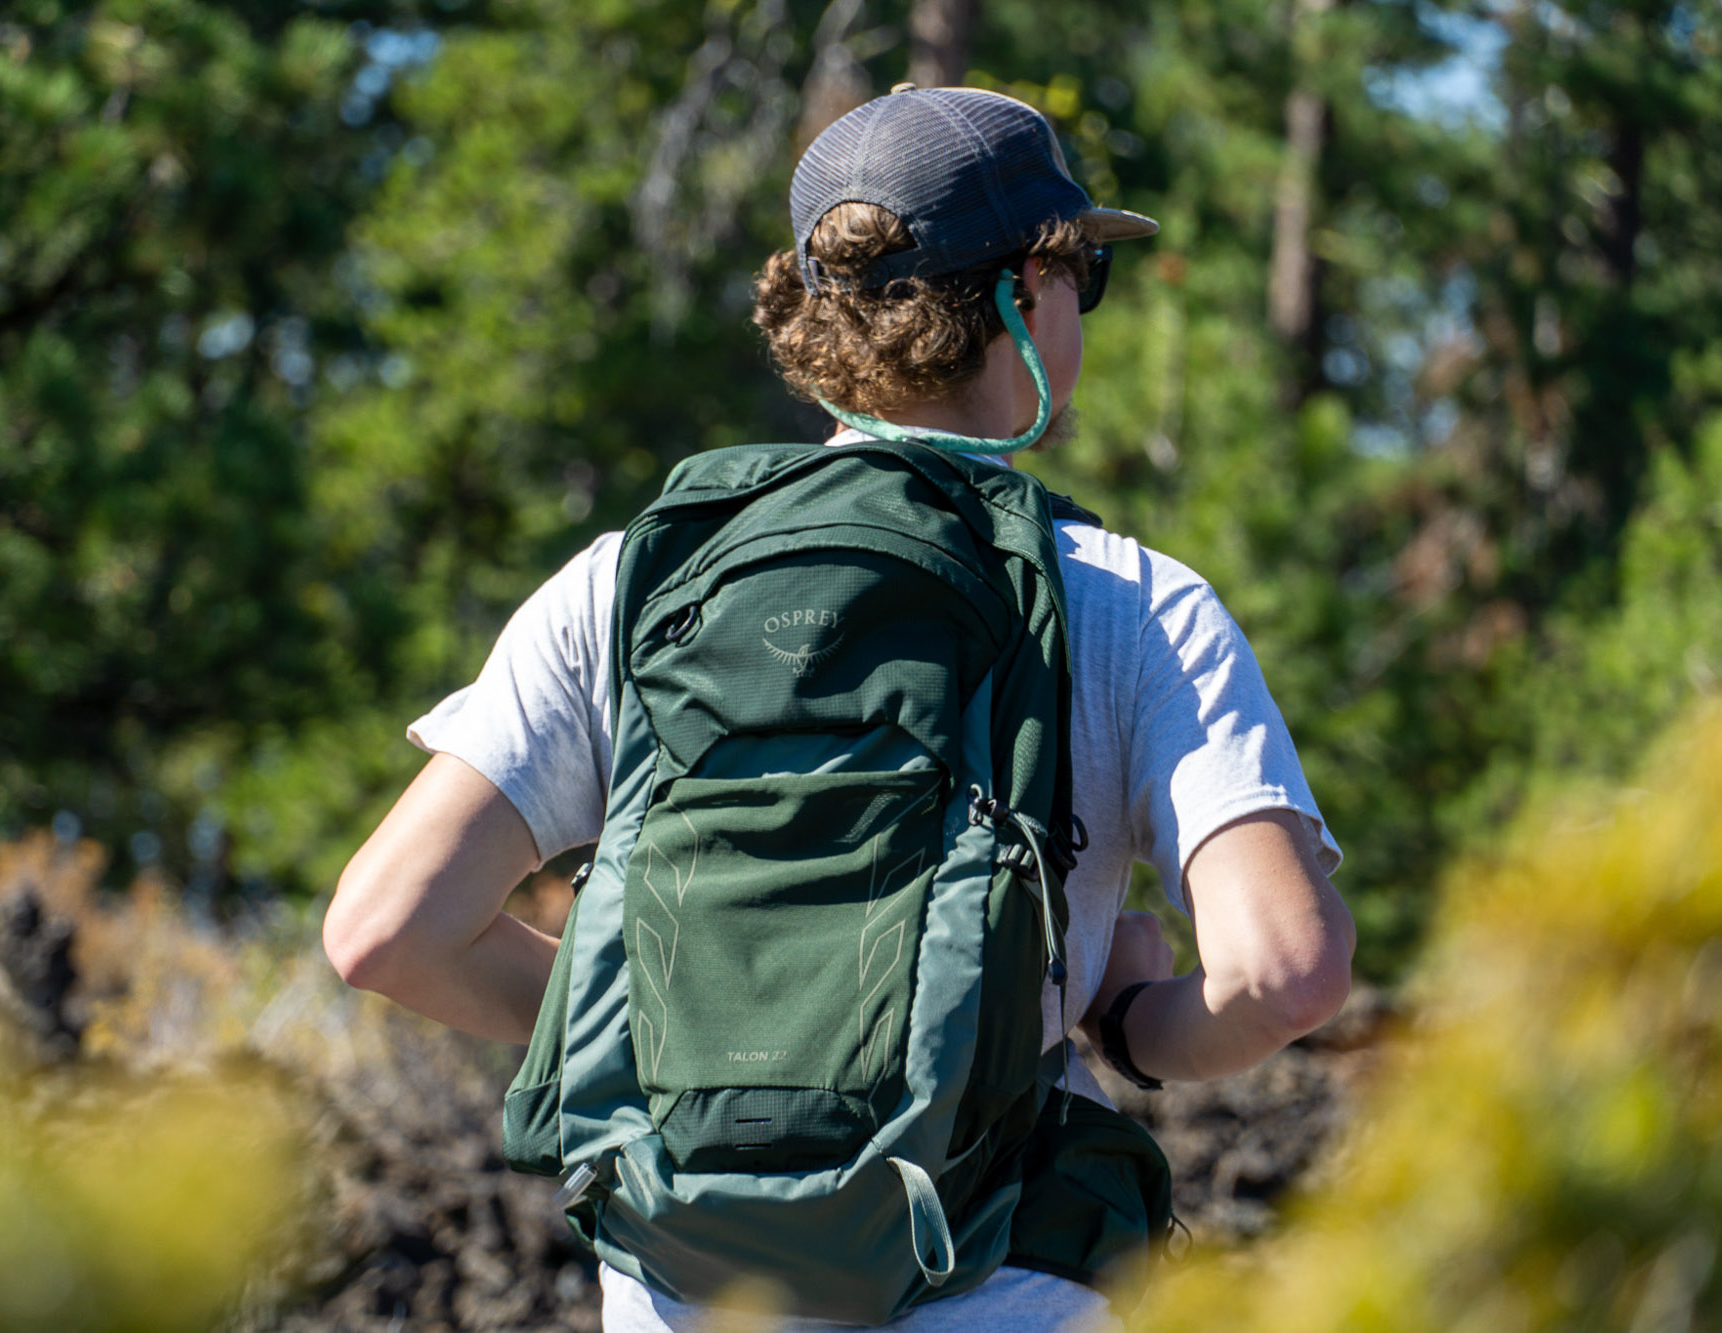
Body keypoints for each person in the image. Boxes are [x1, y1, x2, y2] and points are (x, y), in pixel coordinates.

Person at [325, 83, 1356, 1331]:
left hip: (690, 1280)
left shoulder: (630, 580)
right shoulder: (1128, 603)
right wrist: (1133, 1024)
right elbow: (1286, 972)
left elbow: (384, 930)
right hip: (1001, 1269)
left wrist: (688, 1030)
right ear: (1024, 293)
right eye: (1084, 276)